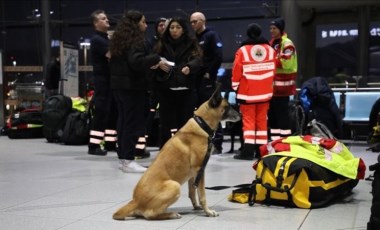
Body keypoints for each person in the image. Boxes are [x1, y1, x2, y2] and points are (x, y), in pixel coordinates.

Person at [109, 10, 163, 173]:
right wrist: (156, 58)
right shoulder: (136, 41)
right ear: (136, 23)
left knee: (124, 122)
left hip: (119, 87)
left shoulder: (119, 40)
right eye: (143, 22)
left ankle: (123, 158)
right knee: (132, 123)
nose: (146, 25)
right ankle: (128, 160)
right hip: (132, 87)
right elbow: (136, 62)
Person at [152, 17, 202, 148]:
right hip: (166, 88)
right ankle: (165, 150)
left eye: (178, 27)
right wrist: (158, 62)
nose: (174, 30)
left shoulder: (191, 42)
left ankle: (185, 150)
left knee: (185, 123)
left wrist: (189, 67)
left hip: (186, 88)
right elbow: (152, 58)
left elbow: (198, 59)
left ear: (183, 29)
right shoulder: (162, 43)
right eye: (172, 27)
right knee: (165, 123)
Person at [231, 23, 276, 160]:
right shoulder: (270, 49)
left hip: (248, 93)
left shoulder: (243, 50)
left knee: (249, 122)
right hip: (265, 93)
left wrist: (235, 86)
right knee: (262, 121)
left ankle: (248, 152)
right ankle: (261, 152)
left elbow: (237, 70)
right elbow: (274, 69)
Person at [190, 11, 224, 154]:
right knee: (199, 112)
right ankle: (202, 142)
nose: (193, 24)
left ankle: (217, 144)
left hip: (207, 80)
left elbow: (218, 55)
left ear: (203, 21)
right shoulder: (193, 39)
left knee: (211, 110)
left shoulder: (211, 35)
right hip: (195, 79)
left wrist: (210, 73)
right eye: (191, 22)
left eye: (195, 21)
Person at [88, 9, 118, 156]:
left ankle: (111, 143)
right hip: (102, 82)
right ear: (95, 23)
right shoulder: (97, 40)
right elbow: (111, 55)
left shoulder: (106, 39)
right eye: (103, 18)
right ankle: (93, 145)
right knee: (101, 112)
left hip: (110, 81)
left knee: (112, 112)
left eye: (106, 18)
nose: (107, 20)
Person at [267, 17, 298, 141]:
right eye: (270, 28)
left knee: (282, 117)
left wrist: (270, 61)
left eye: (274, 28)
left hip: (283, 88)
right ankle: (275, 141)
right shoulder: (271, 43)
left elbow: (287, 63)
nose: (272, 30)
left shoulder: (287, 44)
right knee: (273, 117)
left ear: (280, 29)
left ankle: (285, 141)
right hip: (272, 88)